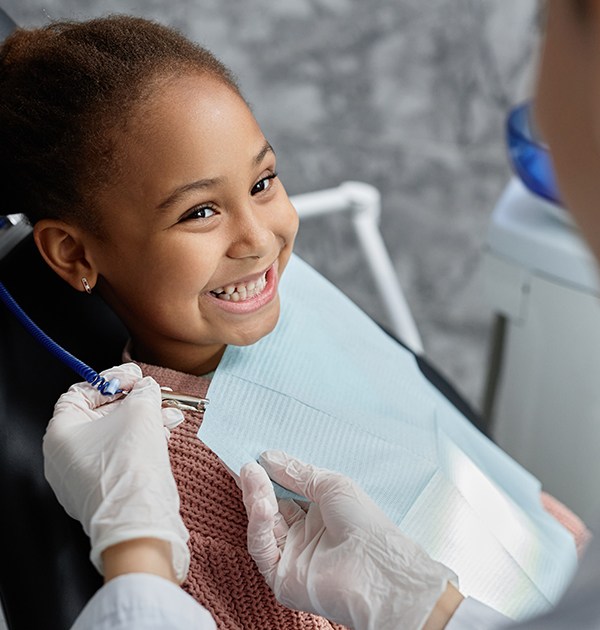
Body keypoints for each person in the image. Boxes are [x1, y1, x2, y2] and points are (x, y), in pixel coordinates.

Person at [6, 5, 587, 629]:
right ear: (73, 252)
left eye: (263, 182)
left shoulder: (280, 290)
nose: (259, 239)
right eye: (199, 213)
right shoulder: (174, 483)